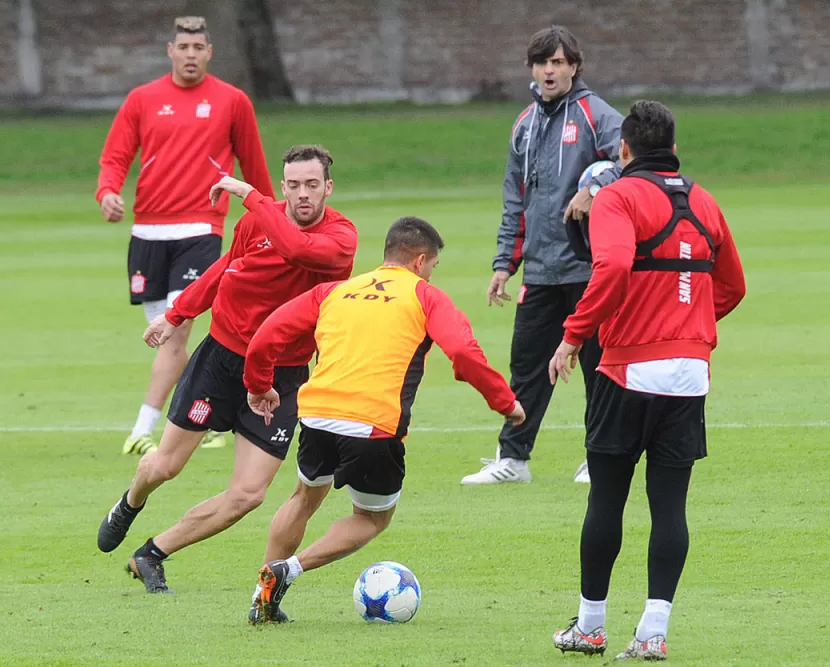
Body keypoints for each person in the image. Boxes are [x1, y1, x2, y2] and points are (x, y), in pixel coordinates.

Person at [94, 145, 357, 596]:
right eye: (293, 185)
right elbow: (222, 269)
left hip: (282, 376)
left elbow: (296, 249)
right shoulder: (257, 220)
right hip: (221, 360)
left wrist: (248, 192)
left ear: (328, 187)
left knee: (249, 495)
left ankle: (152, 553)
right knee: (167, 466)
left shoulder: (340, 238)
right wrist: (174, 315)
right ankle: (131, 500)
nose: (302, 195)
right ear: (284, 186)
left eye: (312, 185)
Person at [242, 217, 527, 624]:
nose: (430, 274)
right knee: (372, 518)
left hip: (317, 414)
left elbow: (268, 333)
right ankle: (289, 568)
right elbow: (463, 352)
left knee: (303, 498)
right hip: (372, 423)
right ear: (420, 260)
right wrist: (505, 402)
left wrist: (258, 384)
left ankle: (261, 598)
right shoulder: (425, 296)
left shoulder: (336, 291)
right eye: (432, 266)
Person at [547, 101, 746, 660]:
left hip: (626, 368)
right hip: (689, 375)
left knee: (608, 498)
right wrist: (688, 325)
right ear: (675, 151)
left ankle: (590, 628)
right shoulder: (704, 200)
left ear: (624, 151)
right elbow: (731, 288)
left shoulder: (618, 196)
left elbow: (609, 269)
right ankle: (653, 634)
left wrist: (573, 334)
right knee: (670, 505)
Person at [96, 15, 276, 456]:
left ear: (209, 53)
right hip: (147, 232)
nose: (191, 55)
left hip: (200, 228)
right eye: (184, 47)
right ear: (170, 51)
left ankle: (144, 427)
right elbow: (115, 156)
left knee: (175, 331)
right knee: (166, 335)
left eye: (199, 47)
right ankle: (215, 407)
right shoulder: (142, 99)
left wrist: (274, 219)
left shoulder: (232, 102)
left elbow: (254, 166)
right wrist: (107, 192)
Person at [462, 26, 623, 486]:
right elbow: (516, 199)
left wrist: (594, 186)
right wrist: (502, 264)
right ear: (532, 68)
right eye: (541, 63)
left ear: (574, 66)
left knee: (597, 366)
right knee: (527, 366)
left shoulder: (597, 115)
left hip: (590, 266)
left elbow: (629, 161)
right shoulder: (524, 124)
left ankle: (601, 457)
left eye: (557, 62)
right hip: (541, 267)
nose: (549, 71)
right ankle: (514, 459)